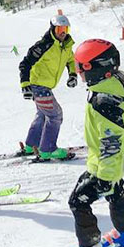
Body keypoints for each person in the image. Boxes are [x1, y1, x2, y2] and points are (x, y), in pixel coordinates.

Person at [60, 39, 124, 247]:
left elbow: (111, 142)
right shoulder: (108, 87)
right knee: (115, 192)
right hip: (111, 161)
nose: (79, 73)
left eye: (82, 67)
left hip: (108, 163)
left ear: (98, 68)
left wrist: (105, 176)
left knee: (78, 201)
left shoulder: (104, 99)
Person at [19, 14, 77, 160]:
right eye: (59, 29)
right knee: (55, 115)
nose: (62, 32)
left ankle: (32, 145)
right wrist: (25, 84)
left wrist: (72, 75)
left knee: (42, 114)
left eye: (65, 29)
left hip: (46, 87)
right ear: (52, 29)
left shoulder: (66, 47)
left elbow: (71, 60)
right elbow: (25, 64)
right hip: (38, 86)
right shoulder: (43, 46)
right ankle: (48, 149)